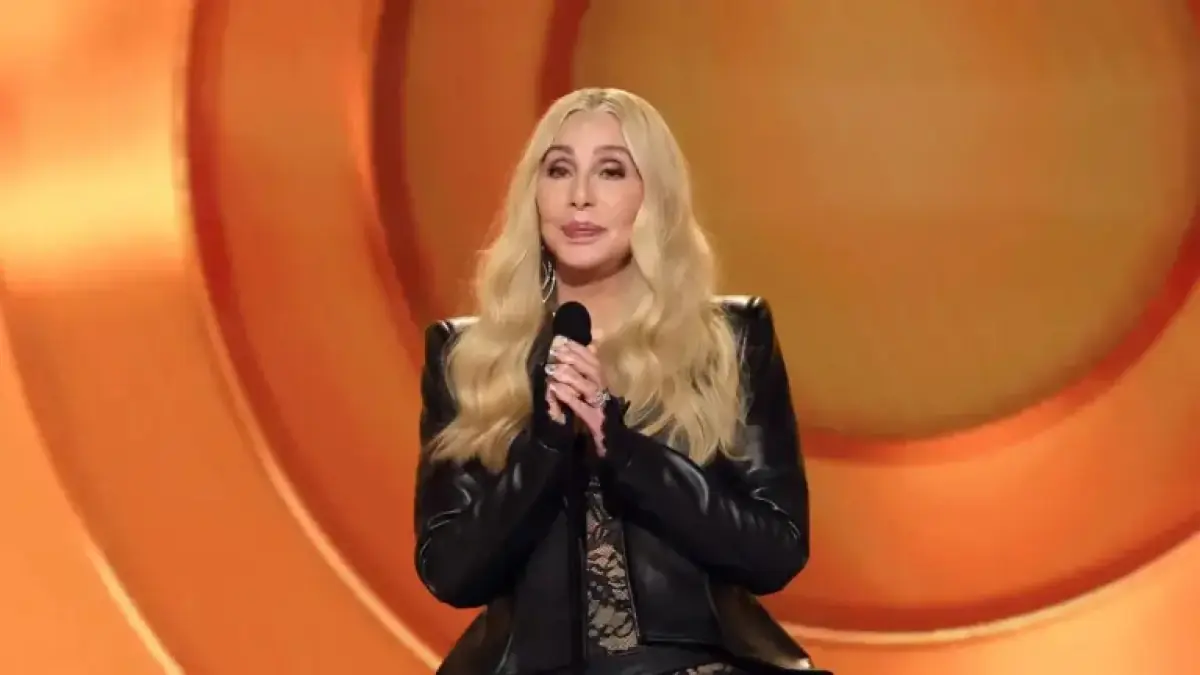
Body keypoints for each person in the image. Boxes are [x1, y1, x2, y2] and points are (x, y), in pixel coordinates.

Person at [414, 87, 820, 675]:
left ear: (653, 194)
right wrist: (545, 449)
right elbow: (450, 572)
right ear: (533, 193)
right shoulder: (468, 358)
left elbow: (774, 551)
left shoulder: (726, 341)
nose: (580, 196)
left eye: (610, 171)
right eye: (559, 170)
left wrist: (626, 451)